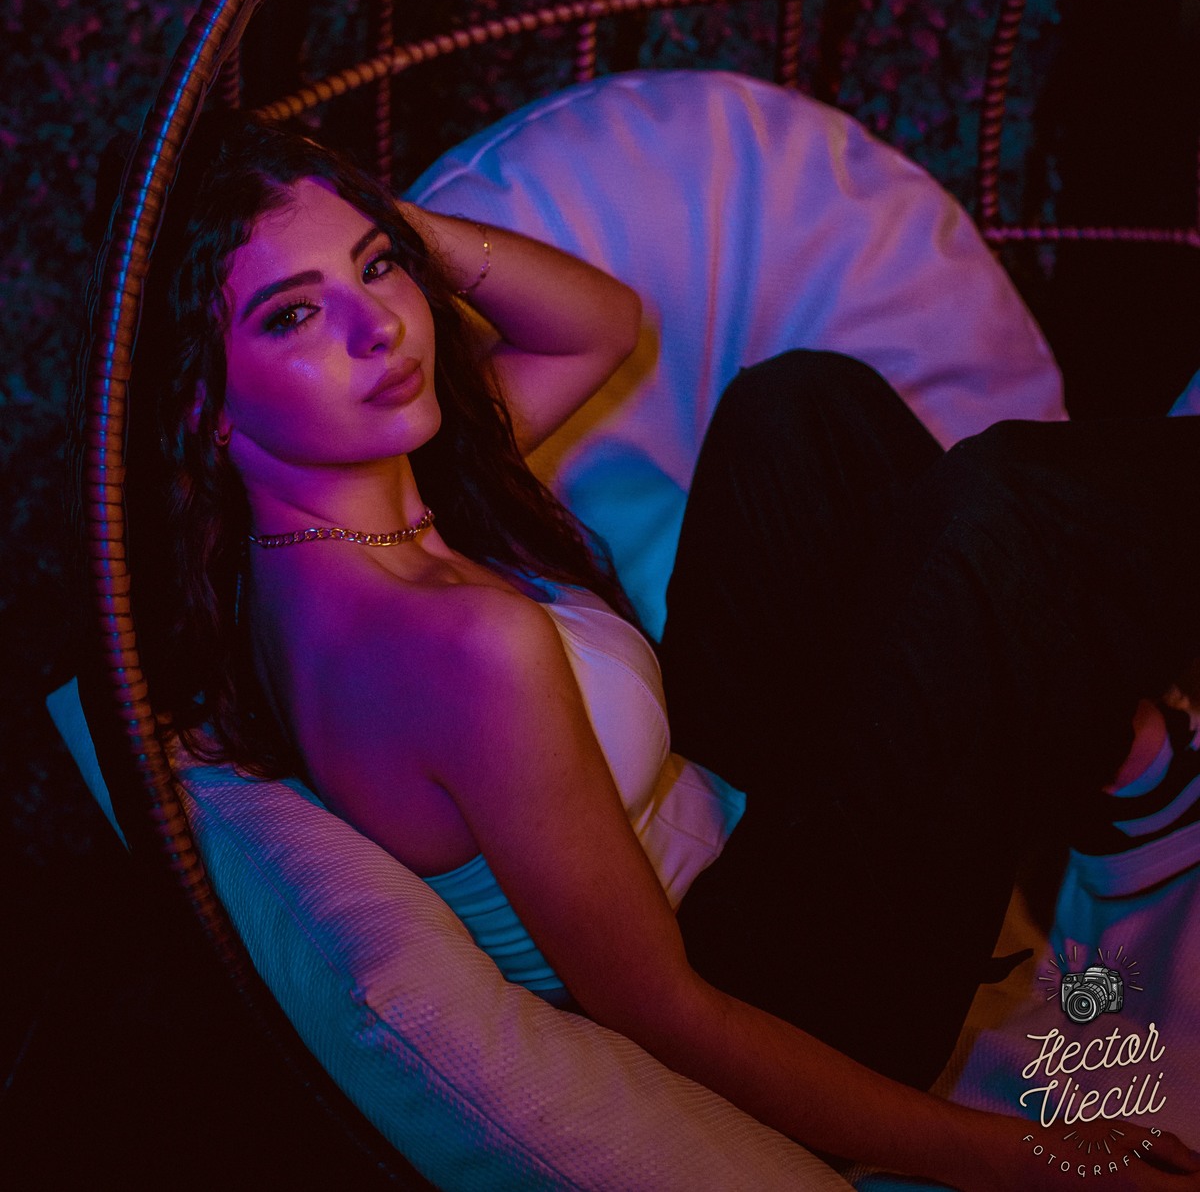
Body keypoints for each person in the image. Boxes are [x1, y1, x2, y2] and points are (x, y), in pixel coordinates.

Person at [132, 109, 1200, 1190]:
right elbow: (670, 1015)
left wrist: (375, 219)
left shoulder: (331, 527)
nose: (380, 329)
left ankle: (1111, 748)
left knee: (794, 410)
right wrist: (1013, 1155)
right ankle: (1121, 732)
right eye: (294, 314)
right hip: (784, 987)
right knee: (994, 517)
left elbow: (600, 323)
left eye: (379, 269)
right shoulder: (454, 647)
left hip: (726, 817)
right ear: (204, 403)